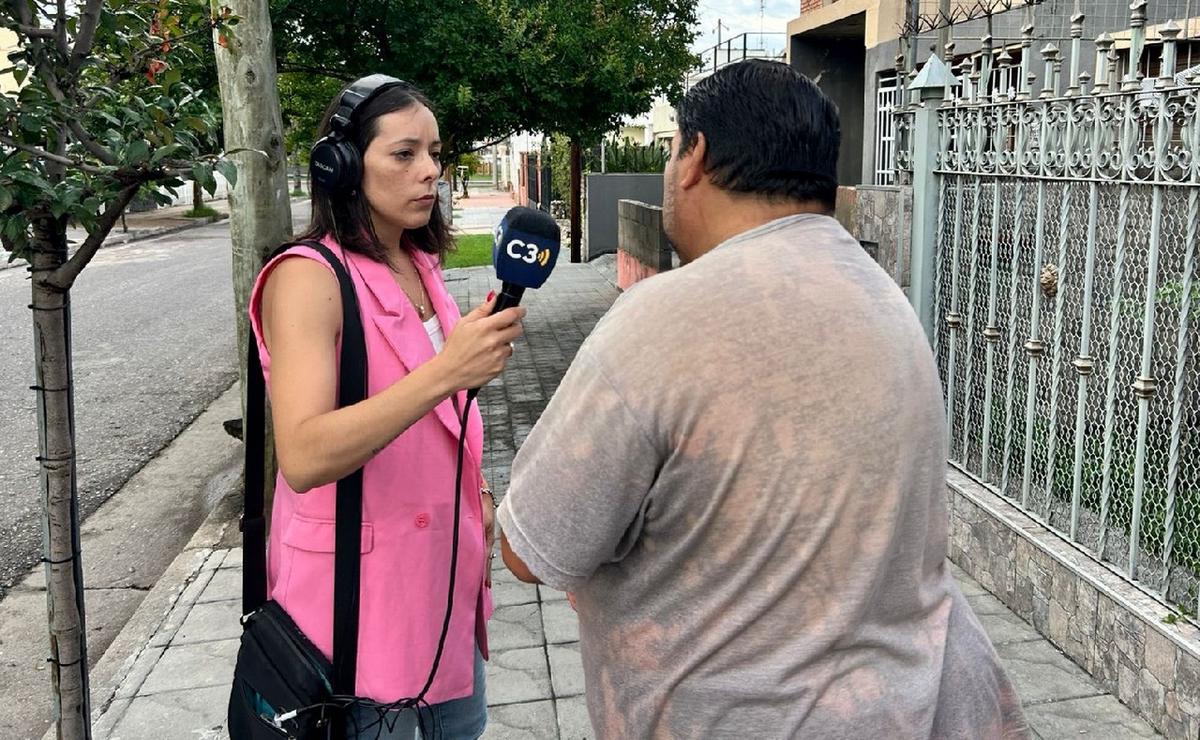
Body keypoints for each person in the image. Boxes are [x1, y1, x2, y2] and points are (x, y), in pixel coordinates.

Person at [497, 60, 1027, 738]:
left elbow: (533, 547)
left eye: (670, 151)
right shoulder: (884, 300)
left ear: (695, 158)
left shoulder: (663, 321)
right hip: (906, 710)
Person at [249, 76, 523, 739]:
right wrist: (447, 370)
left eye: (434, 152)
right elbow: (307, 454)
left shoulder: (421, 265)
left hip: (444, 603)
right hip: (352, 625)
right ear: (341, 166)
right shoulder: (307, 278)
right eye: (404, 154)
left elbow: (439, 424)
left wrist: (478, 493)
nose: (430, 170)